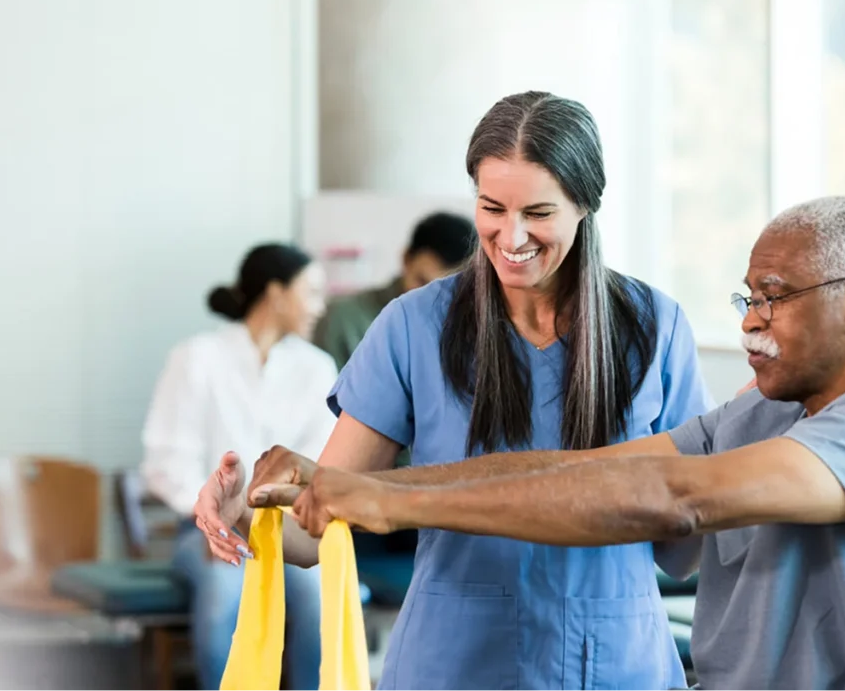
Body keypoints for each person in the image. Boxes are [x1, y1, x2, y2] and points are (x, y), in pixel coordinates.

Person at [263, 197, 845, 690]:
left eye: (774, 297)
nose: (752, 321)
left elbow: (674, 498)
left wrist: (393, 503)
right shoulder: (763, 412)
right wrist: (358, 486)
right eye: (746, 298)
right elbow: (586, 470)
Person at [194, 91, 715, 690]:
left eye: (538, 213)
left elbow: (683, 550)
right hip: (454, 659)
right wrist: (242, 512)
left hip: (615, 660)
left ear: (586, 206)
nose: (510, 235)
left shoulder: (655, 326)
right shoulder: (413, 326)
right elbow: (318, 526)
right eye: (492, 207)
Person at [141, 243, 337, 691]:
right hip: (206, 533)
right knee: (226, 593)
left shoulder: (317, 368)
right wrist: (218, 518)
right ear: (277, 293)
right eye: (313, 292)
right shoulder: (196, 358)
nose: (321, 307)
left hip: (288, 533)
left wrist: (272, 518)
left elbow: (317, 466)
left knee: (316, 595)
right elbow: (166, 461)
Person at [312, 211, 477, 371]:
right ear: (406, 259)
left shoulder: (472, 330)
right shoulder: (343, 320)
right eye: (422, 281)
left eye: (447, 289)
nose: (430, 297)